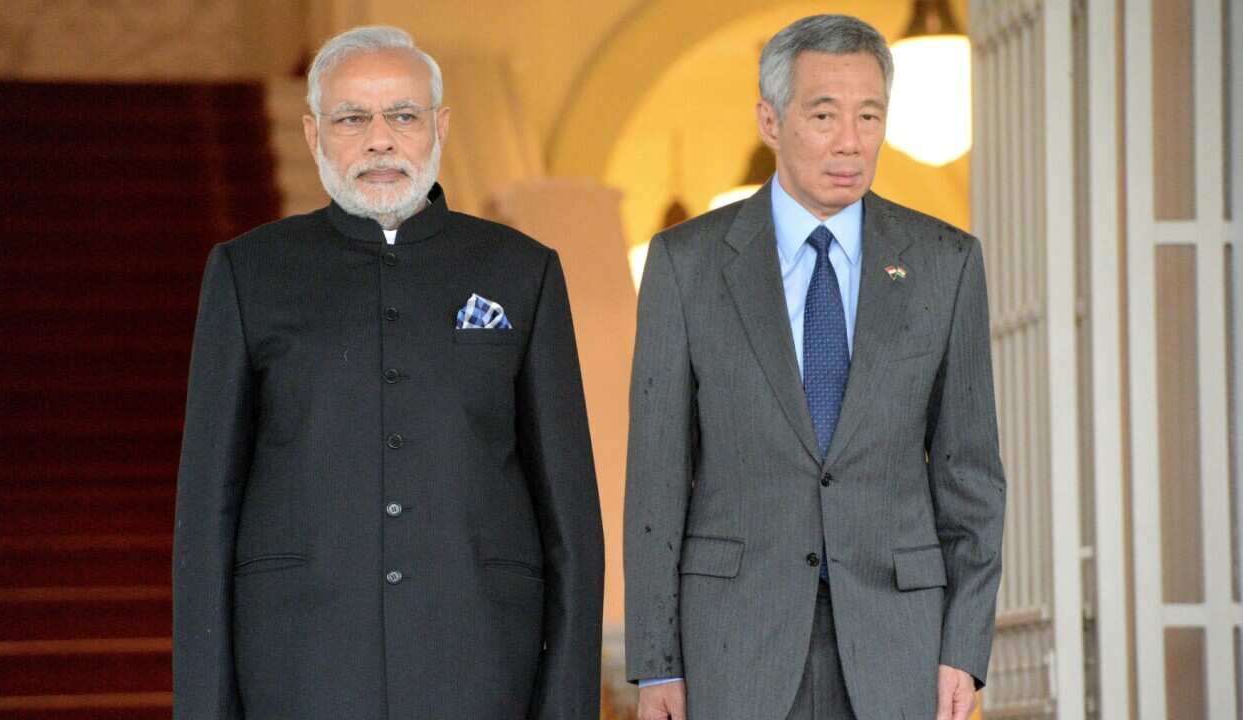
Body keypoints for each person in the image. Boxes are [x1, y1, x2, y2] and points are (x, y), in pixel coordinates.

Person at [172, 25, 604, 720]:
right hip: (300, 668)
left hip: (483, 664)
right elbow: (206, 514)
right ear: (314, 136)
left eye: (403, 115)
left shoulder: (522, 272)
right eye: (352, 118)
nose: (380, 140)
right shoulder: (248, 274)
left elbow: (571, 522)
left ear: (440, 127)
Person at [624, 14, 1005, 720]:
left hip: (903, 644)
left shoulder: (946, 263)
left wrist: (966, 645)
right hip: (734, 642)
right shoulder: (686, 266)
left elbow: (971, 476)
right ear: (769, 120)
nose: (851, 141)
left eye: (870, 115)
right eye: (824, 114)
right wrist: (655, 666)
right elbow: (656, 477)